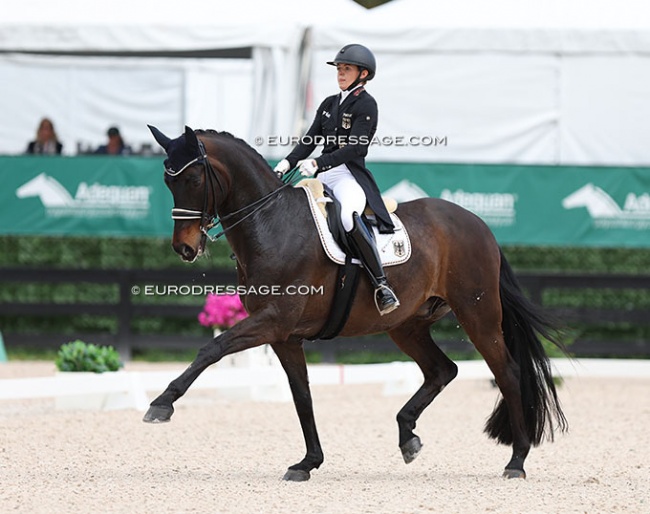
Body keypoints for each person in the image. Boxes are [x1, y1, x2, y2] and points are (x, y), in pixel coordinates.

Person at [274, 44, 399, 316]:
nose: (341, 74)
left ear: (363, 73)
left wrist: (320, 162)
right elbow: (310, 139)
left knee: (347, 216)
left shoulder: (366, 104)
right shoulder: (329, 104)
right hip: (319, 172)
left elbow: (357, 147)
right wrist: (287, 163)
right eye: (339, 69)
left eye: (347, 69)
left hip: (347, 174)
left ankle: (381, 284)